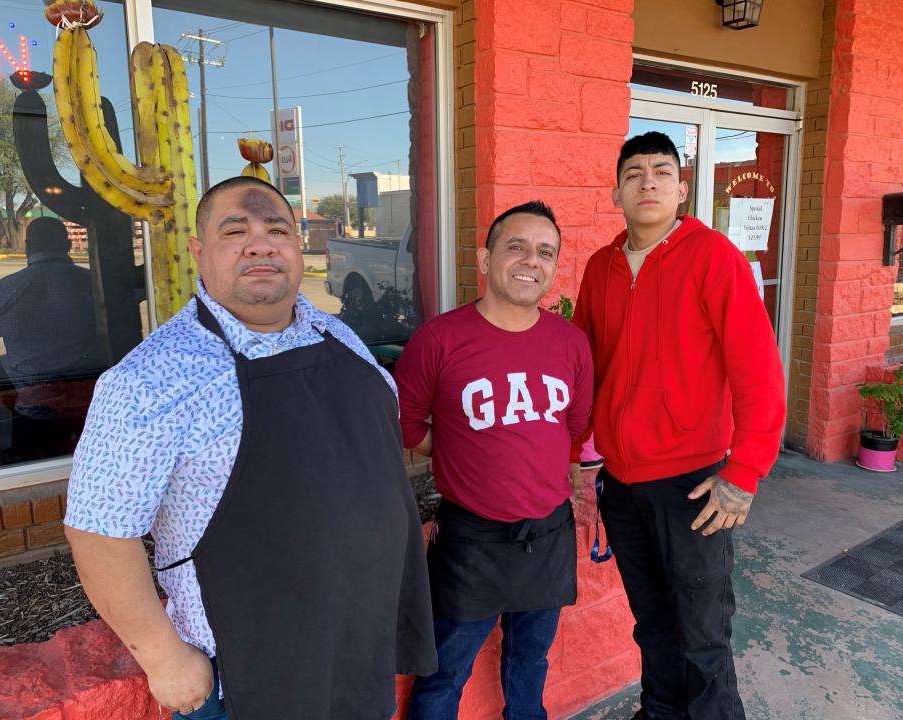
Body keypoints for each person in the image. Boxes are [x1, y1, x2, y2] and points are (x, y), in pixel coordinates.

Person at [64, 176, 437, 720]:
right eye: (235, 230)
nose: (260, 244)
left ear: (298, 245)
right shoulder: (151, 378)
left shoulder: (343, 338)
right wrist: (164, 659)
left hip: (358, 648)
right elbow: (98, 531)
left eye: (277, 229)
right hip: (245, 675)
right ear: (199, 252)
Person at [573, 131, 786, 720]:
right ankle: (661, 712)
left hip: (695, 484)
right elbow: (588, 368)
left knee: (703, 633)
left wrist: (744, 473)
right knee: (652, 623)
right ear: (616, 191)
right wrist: (577, 455)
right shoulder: (601, 267)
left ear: (681, 189)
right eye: (635, 172)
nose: (648, 182)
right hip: (622, 481)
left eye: (662, 172)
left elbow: (759, 374)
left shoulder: (714, 257)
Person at [396, 201, 594, 720]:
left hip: (548, 534)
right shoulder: (437, 340)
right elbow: (407, 428)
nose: (532, 260)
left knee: (531, 662)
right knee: (443, 675)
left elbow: (574, 429)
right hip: (471, 540)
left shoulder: (571, 343)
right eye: (516, 247)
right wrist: (462, 447)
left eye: (545, 252)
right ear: (485, 261)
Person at [0, 217, 103, 457]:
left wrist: (5, 389)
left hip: (33, 407)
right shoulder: (94, 285)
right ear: (68, 245)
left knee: (33, 469)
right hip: (91, 404)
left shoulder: (1, 291)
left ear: (28, 247)